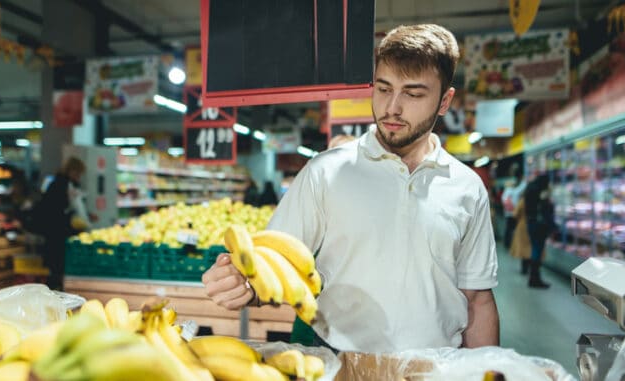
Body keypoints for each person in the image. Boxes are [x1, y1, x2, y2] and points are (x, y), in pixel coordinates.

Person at [202, 24, 499, 352]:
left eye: (413, 94)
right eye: (384, 89)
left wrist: (489, 369)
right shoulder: (326, 171)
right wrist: (244, 284)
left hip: (437, 366)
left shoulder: (467, 188)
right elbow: (275, 265)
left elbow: (478, 299)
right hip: (338, 360)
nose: (392, 108)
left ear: (445, 101)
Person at [38, 156, 96, 290]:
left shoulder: (71, 185)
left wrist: (86, 216)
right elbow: (53, 211)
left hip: (64, 234)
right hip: (57, 234)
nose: (79, 176)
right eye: (77, 173)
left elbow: (74, 208)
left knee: (60, 269)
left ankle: (59, 290)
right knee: (57, 269)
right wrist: (71, 219)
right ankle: (55, 294)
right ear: (70, 171)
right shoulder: (58, 185)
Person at [523, 174, 555, 289]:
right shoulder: (541, 193)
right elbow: (546, 209)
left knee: (535, 249)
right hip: (540, 225)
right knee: (537, 251)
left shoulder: (530, 189)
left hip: (531, 223)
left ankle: (533, 277)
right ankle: (535, 278)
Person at [501, 164, 526, 251]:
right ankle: (512, 245)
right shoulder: (516, 190)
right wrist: (524, 182)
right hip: (515, 212)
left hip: (508, 212)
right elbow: (520, 189)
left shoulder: (508, 189)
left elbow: (503, 199)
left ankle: (507, 244)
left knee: (508, 229)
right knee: (514, 229)